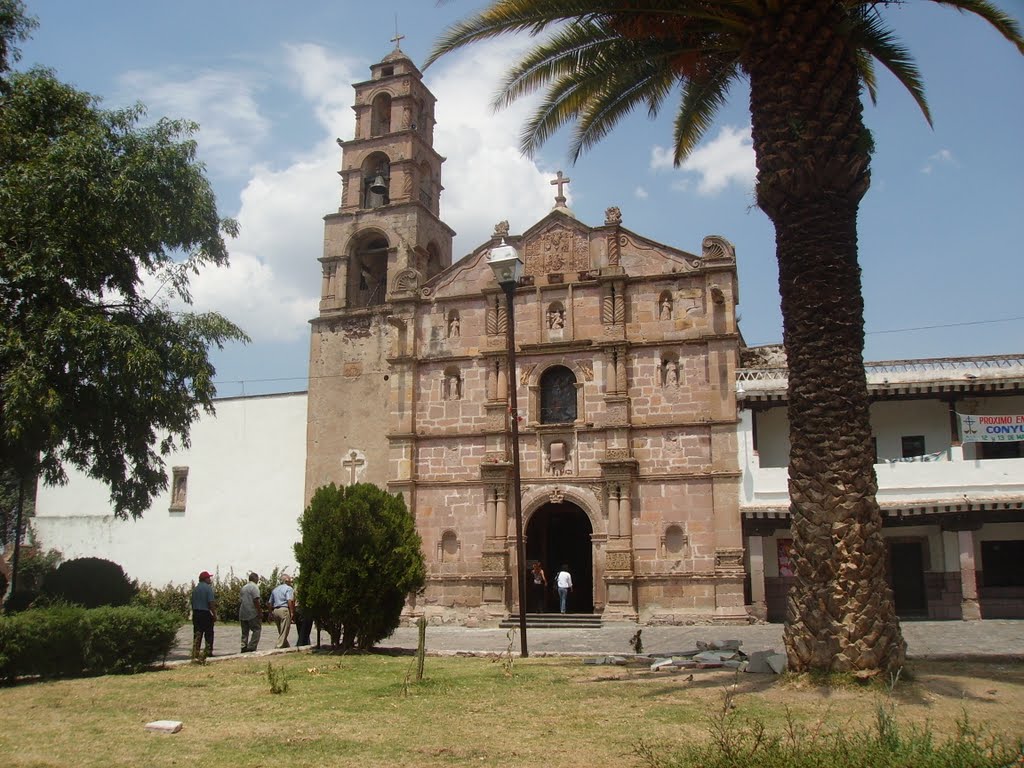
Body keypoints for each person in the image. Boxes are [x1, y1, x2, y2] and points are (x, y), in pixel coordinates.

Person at [190, 570, 217, 658]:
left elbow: (192, 602)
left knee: (197, 633)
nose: (210, 579)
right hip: (205, 613)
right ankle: (208, 651)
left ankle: (195, 651)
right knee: (209, 633)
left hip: (196, 613)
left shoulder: (195, 589)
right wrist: (214, 614)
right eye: (209, 577)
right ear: (205, 579)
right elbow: (211, 603)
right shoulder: (208, 588)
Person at [269, 574, 296, 648]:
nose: (291, 582)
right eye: (290, 580)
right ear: (286, 580)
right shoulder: (289, 588)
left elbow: (270, 602)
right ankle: (278, 646)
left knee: (281, 630)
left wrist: (270, 612)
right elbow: (289, 600)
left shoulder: (275, 589)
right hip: (284, 609)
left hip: (275, 610)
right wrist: (292, 612)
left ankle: (286, 646)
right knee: (285, 630)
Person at [239, 572, 262, 653]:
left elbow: (241, 599)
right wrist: (259, 611)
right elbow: (256, 600)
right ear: (255, 578)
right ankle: (252, 646)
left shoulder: (243, 587)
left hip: (243, 612)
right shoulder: (255, 587)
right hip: (252, 612)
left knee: (244, 632)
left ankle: (243, 646)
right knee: (257, 629)